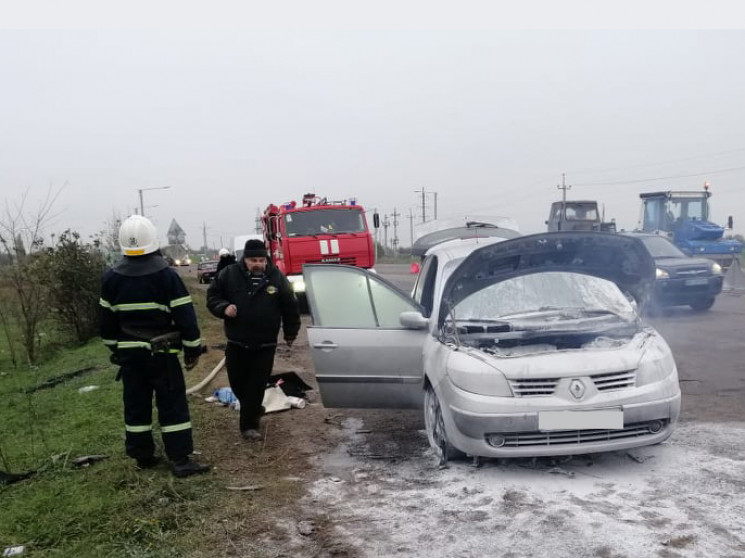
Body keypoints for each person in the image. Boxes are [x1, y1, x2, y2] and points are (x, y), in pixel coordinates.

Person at [99, 215, 210, 478]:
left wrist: (117, 349)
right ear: (154, 240)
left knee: (135, 403)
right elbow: (185, 317)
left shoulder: (111, 278)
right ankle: (181, 461)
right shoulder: (166, 276)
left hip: (129, 356)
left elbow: (106, 324)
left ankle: (142, 455)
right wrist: (192, 348)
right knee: (172, 405)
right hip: (162, 355)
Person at [206, 239, 301, 440]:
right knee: (238, 384)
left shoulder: (276, 277)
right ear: (245, 260)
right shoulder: (229, 274)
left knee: (256, 385)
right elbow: (213, 297)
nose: (258, 264)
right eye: (253, 260)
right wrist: (223, 307)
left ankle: (249, 426)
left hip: (265, 345)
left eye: (261, 260)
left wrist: (291, 332)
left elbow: (290, 307)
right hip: (236, 343)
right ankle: (254, 409)